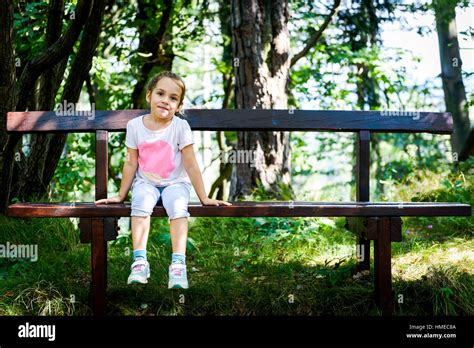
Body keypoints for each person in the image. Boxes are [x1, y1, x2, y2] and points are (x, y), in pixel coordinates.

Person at [95, 71, 231, 289]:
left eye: (173, 98)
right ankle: (140, 261)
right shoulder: (135, 126)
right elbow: (131, 162)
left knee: (178, 207)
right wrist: (121, 195)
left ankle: (178, 265)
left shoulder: (180, 127)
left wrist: (204, 197)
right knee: (139, 203)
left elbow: (190, 163)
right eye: (160, 93)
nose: (166, 100)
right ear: (149, 96)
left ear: (178, 105)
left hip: (175, 183)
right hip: (146, 184)